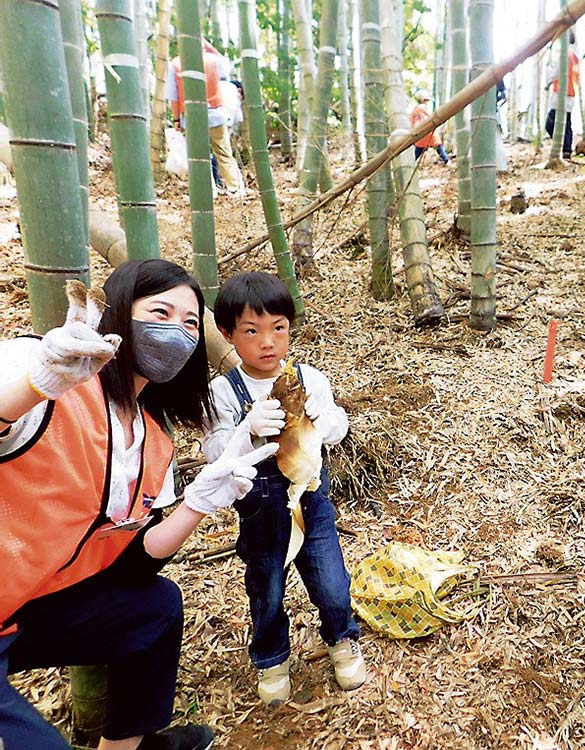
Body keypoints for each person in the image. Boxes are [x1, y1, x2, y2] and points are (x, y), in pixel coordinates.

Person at [0, 259, 278, 750]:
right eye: (160, 312)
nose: (177, 332)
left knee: (154, 607)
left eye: (190, 323)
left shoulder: (153, 443)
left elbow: (133, 565)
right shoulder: (45, 370)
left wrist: (196, 504)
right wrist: (35, 385)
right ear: (120, 316)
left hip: (24, 611)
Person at [202, 272, 365, 706]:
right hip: (260, 512)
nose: (268, 342)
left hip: (311, 501)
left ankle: (342, 638)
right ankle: (272, 658)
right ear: (227, 334)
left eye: (279, 328)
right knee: (266, 588)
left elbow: (338, 426)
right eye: (252, 332)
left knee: (331, 582)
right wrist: (246, 429)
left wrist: (321, 419)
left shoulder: (309, 377)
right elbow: (213, 451)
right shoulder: (223, 391)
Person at [166, 41, 245, 194]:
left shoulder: (175, 64)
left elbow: (174, 97)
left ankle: (208, 191)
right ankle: (236, 189)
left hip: (191, 117)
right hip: (216, 112)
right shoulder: (213, 60)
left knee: (199, 157)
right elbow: (224, 77)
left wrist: (176, 120)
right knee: (223, 153)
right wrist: (209, 47)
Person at [544, 29, 580, 159]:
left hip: (561, 93)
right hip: (571, 93)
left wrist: (547, 80)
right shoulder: (575, 54)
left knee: (550, 123)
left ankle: (562, 146)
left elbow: (556, 72)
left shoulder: (566, 54)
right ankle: (566, 150)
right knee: (567, 122)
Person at [411, 90, 450, 164]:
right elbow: (431, 118)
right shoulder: (424, 108)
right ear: (424, 100)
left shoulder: (414, 110)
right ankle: (447, 161)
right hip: (429, 132)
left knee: (418, 150)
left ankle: (412, 164)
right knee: (439, 147)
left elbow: (412, 122)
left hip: (420, 134)